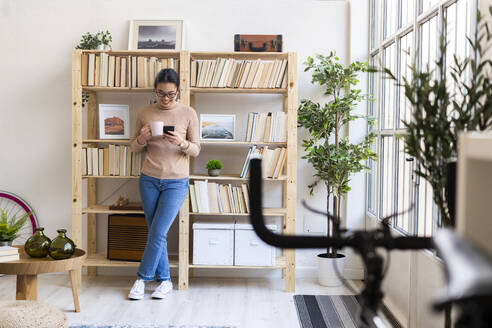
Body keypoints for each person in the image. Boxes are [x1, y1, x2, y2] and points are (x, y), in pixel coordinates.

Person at [127, 68, 200, 300]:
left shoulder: (188, 113)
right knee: (155, 234)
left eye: (171, 94)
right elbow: (133, 147)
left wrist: (182, 143)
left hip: (176, 182)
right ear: (155, 91)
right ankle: (166, 281)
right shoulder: (144, 112)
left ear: (178, 91)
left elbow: (197, 150)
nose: (166, 99)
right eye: (161, 94)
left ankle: (142, 278)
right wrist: (142, 139)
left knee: (158, 231)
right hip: (149, 178)